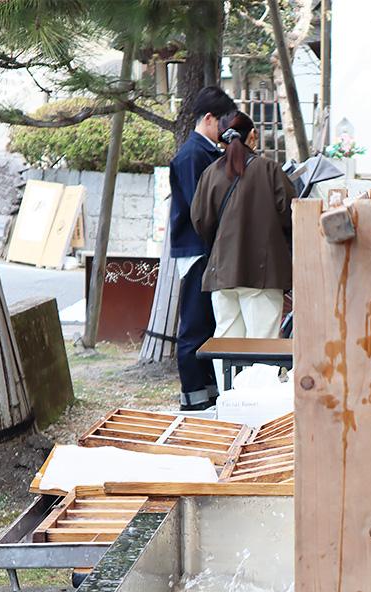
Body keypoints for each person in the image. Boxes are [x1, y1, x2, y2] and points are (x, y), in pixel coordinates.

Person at [190, 111, 295, 381]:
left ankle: (230, 405)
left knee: (226, 340)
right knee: (264, 343)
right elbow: (292, 214)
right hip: (263, 271)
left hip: (221, 272)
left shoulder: (210, 173)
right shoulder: (269, 170)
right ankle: (261, 411)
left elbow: (200, 221)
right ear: (252, 135)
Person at [169, 86, 237, 410]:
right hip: (197, 250)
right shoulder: (192, 155)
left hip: (209, 249)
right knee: (195, 325)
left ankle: (207, 393)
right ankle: (192, 397)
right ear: (209, 119)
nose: (226, 129)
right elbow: (201, 210)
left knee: (209, 322)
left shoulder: (208, 151)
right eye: (223, 122)